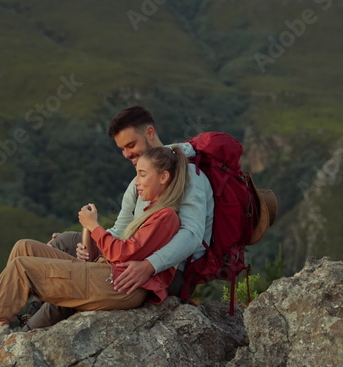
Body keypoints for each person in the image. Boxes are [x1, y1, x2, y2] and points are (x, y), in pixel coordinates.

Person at [0, 146, 191, 367]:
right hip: (109, 274)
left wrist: (94, 225)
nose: (137, 181)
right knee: (24, 247)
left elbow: (123, 252)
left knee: (22, 267)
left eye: (142, 175)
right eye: (136, 174)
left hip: (119, 286)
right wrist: (91, 235)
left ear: (164, 177)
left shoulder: (166, 216)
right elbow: (125, 248)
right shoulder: (152, 209)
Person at [25, 105, 214, 329]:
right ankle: (31, 314)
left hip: (170, 272)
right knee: (63, 242)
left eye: (131, 145)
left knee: (79, 280)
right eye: (122, 148)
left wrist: (149, 266)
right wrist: (92, 245)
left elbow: (191, 235)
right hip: (132, 252)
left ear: (150, 133)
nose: (126, 154)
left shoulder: (189, 175)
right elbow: (121, 229)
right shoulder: (138, 183)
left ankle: (30, 331)